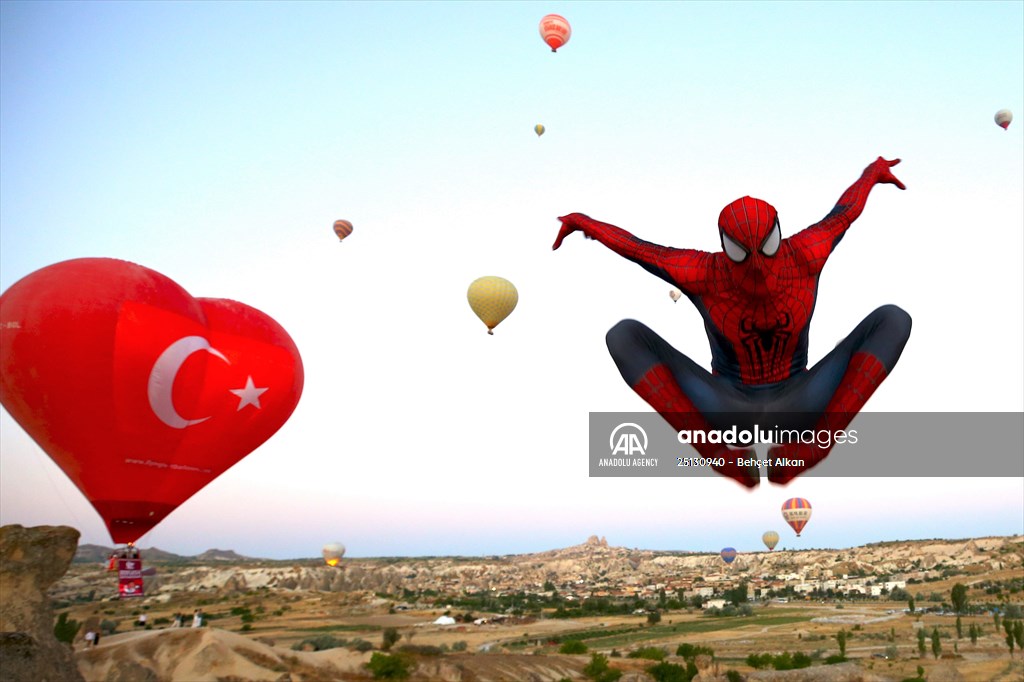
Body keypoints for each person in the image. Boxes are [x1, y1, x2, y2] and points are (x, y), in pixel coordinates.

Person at [553, 157, 911, 487]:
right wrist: (586, 223)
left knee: (893, 319)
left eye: (766, 247)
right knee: (623, 335)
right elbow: (638, 249)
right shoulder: (707, 273)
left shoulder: (802, 254)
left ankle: (813, 448)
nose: (756, 265)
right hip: (733, 406)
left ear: (778, 233)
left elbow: (846, 212)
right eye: (741, 252)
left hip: (785, 403)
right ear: (725, 245)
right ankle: (721, 457)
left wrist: (871, 174)